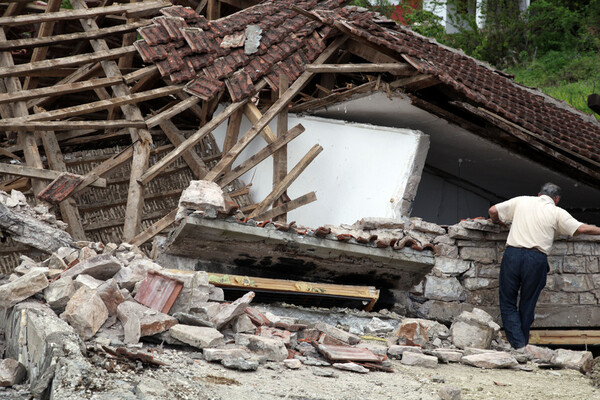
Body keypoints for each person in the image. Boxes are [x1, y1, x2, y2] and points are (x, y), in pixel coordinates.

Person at [488, 182, 600, 350]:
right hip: (536, 259)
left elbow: (493, 211)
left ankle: (519, 346)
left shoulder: (522, 200)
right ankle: (522, 346)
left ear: (539, 194)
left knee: (507, 302)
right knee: (528, 303)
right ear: (557, 199)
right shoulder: (556, 211)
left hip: (513, 254)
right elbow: (582, 229)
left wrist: (498, 222)